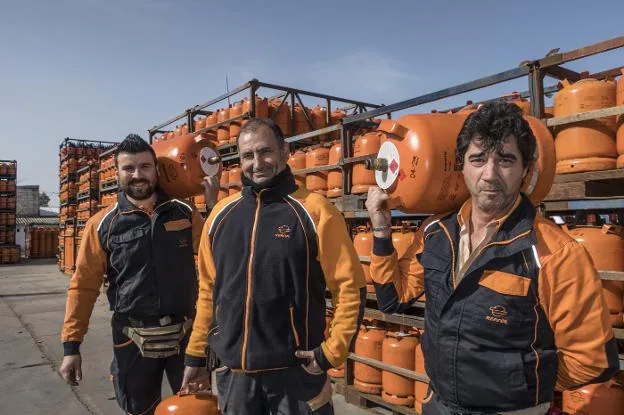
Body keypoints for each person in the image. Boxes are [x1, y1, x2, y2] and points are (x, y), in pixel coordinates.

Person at [365, 103, 619, 415]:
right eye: (478, 159)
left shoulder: (555, 254)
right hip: (438, 404)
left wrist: (516, 390)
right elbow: (393, 298)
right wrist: (380, 228)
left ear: (526, 169)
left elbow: (594, 361)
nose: (490, 174)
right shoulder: (436, 232)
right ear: (462, 167)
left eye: (506, 160)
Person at [181, 118, 366, 414]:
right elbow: (208, 292)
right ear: (239, 160)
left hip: (296, 375)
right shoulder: (220, 216)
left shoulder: (316, 211)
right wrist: (195, 354)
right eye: (247, 156)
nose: (257, 163)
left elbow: (350, 287)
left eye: (265, 151)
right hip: (235, 377)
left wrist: (331, 354)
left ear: (284, 151)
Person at [59, 134, 220, 414]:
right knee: (138, 409)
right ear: (118, 173)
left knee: (198, 407)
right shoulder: (103, 225)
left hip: (186, 334)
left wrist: (213, 206)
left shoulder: (184, 213)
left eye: (145, 167)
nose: (137, 175)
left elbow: (215, 256)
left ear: (156, 169)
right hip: (131, 336)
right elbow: (83, 286)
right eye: (129, 168)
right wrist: (71, 346)